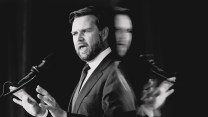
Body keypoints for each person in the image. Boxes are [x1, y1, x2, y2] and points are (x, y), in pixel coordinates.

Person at [9, 6, 137, 117]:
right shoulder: (88, 70)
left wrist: (62, 114)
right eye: (74, 33)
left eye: (85, 31)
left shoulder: (115, 72)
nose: (79, 39)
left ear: (103, 33)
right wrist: (43, 113)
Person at [110, 6, 176, 117]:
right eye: (117, 30)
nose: (124, 37)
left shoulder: (119, 70)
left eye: (128, 31)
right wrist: (148, 108)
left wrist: (150, 106)